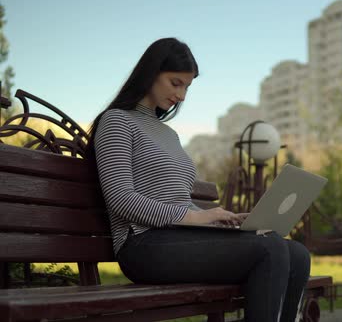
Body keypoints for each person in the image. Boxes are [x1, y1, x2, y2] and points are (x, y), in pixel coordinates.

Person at [87, 37, 310, 322]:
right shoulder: (117, 121)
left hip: (178, 238)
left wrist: (219, 219)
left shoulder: (169, 134)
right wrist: (197, 219)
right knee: (270, 248)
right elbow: (121, 200)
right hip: (142, 245)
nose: (181, 96)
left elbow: (177, 200)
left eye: (187, 87)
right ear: (151, 73)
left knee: (297, 254)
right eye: (175, 83)